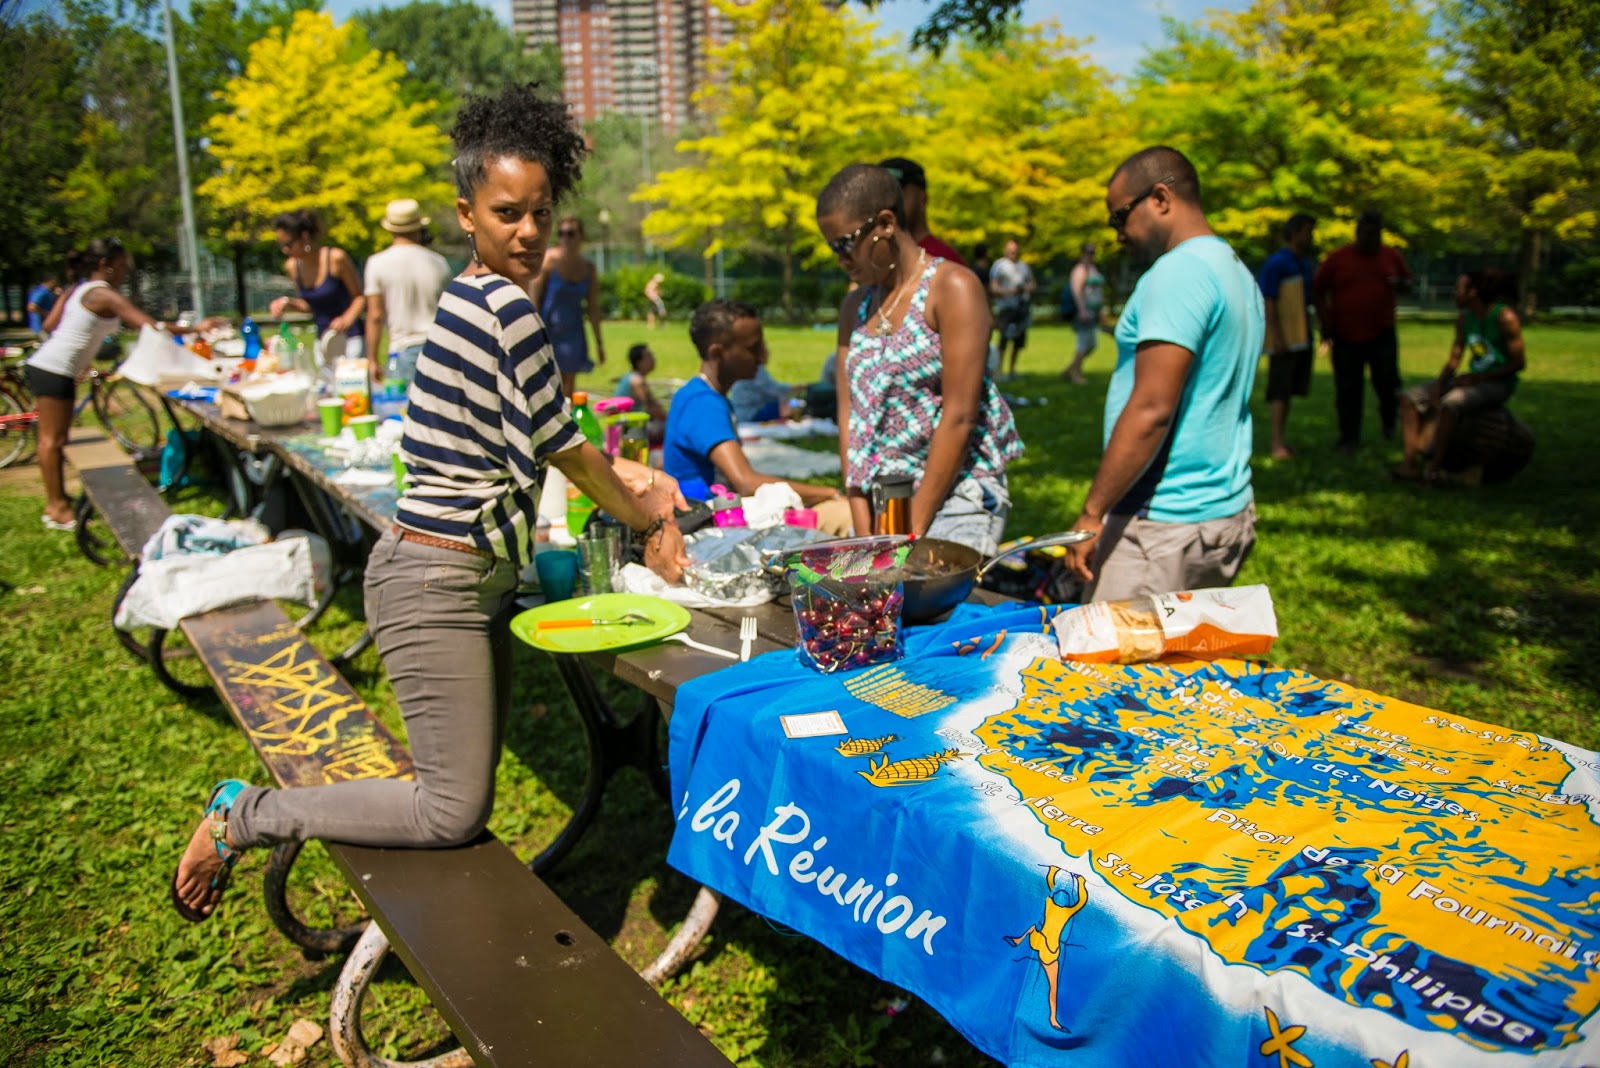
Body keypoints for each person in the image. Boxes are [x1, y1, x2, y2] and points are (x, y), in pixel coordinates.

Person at [171, 83, 688, 924]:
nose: (527, 231)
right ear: (465, 215)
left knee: (457, 792)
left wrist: (632, 487)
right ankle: (246, 816)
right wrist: (652, 519)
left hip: (462, 576)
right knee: (450, 810)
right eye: (507, 212)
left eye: (540, 212)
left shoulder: (470, 295)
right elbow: (567, 449)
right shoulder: (506, 309)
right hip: (435, 583)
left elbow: (551, 443)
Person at [1062, 147, 1264, 601]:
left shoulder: (1178, 273)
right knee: (1183, 668)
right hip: (1221, 512)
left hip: (1163, 524)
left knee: (1107, 669)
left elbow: (1152, 408)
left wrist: (1093, 513)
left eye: (1119, 217)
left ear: (1160, 198)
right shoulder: (1233, 269)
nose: (1118, 235)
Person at [818, 164, 1023, 555]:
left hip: (955, 495)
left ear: (885, 224)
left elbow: (960, 415)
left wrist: (908, 535)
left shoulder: (953, 288)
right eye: (833, 248)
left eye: (845, 244)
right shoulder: (855, 306)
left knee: (927, 607)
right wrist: (866, 533)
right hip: (883, 503)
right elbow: (851, 419)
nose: (840, 260)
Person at [25, 237, 225, 532]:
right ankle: (56, 507)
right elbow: (148, 325)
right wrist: (196, 328)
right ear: (105, 265)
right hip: (54, 370)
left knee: (56, 439)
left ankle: (59, 500)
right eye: (121, 266)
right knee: (51, 441)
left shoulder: (78, 290)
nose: (125, 273)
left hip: (51, 367)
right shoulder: (104, 294)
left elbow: (49, 326)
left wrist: (81, 350)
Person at [663, 299, 852, 534]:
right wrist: (829, 493)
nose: (762, 357)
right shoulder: (703, 404)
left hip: (716, 514)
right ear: (718, 353)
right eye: (753, 349)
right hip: (707, 523)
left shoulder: (701, 395)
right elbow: (745, 482)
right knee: (847, 516)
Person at [1396, 268, 1527, 483]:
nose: (1454, 294)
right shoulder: (1465, 319)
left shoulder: (1504, 317)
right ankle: (1409, 464)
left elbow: (1518, 363)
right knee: (1408, 398)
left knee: (1452, 403)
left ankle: (1434, 468)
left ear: (1473, 292)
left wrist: (1479, 378)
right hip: (1472, 380)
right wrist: (1439, 384)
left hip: (1498, 383)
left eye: (1459, 289)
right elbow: (1454, 359)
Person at [1314, 210, 1412, 452]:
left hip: (1382, 333)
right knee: (1348, 389)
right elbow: (1317, 290)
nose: (1369, 239)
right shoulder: (1338, 258)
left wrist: (1400, 285)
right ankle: (1349, 437)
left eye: (1374, 234)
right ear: (1357, 233)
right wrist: (1325, 323)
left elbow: (1408, 282)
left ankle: (1390, 424)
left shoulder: (1391, 256)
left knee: (1388, 384)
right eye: (1364, 233)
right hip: (1345, 334)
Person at [364, 198, 452, 387]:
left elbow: (375, 316)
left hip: (402, 349)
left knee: (404, 411)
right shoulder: (438, 262)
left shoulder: (377, 263)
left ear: (390, 229)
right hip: (439, 347)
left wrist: (372, 359)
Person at [269, 209, 366, 369]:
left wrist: (346, 318)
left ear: (304, 237)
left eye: (288, 244)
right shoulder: (293, 266)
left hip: (350, 338)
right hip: (322, 340)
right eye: (281, 245)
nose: (285, 250)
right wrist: (288, 303)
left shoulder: (336, 258)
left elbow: (359, 297)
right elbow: (309, 306)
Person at [1257, 213, 1319, 458]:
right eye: (1307, 231)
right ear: (1294, 232)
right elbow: (1269, 301)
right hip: (1284, 339)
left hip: (1300, 337)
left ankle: (1281, 440)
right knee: (1279, 390)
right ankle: (1276, 443)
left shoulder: (1303, 264)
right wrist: (1277, 337)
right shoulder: (1277, 264)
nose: (1310, 236)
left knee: (1290, 389)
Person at [532, 215, 604, 398]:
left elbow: (593, 308)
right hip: (549, 329)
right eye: (561, 233)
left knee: (569, 386)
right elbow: (534, 297)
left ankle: (566, 423)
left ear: (581, 236)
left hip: (573, 330)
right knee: (549, 381)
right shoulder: (549, 260)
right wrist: (533, 331)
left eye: (571, 234)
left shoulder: (588, 268)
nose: (565, 238)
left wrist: (599, 344)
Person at [878, 158, 967, 267]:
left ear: (922, 199)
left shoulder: (947, 264)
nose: (888, 201)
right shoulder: (876, 262)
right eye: (881, 194)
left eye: (897, 191)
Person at [1062, 243, 1108, 385]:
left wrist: (1101, 309)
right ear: (1082, 254)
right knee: (1084, 343)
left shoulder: (1093, 269)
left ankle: (1069, 369)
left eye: (1092, 253)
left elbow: (1098, 291)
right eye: (1088, 253)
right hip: (1083, 312)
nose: (1090, 256)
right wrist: (1082, 310)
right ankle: (1076, 373)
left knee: (1091, 344)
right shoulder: (1080, 270)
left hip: (1093, 311)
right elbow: (1077, 291)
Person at [990, 239, 1035, 380]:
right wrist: (1010, 291)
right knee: (1003, 340)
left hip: (1021, 308)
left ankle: (1012, 370)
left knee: (1018, 341)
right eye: (1010, 250)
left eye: (1015, 251)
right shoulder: (999, 266)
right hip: (1006, 308)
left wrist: (1025, 289)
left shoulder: (1024, 266)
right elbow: (993, 287)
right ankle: (999, 370)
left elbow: (1032, 283)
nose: (1013, 253)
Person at [615, 342, 667, 441]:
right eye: (649, 356)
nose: (653, 359)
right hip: (629, 429)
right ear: (639, 362)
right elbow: (654, 409)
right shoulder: (637, 382)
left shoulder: (630, 376)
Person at [728, 349, 795, 423]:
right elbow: (772, 389)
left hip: (738, 411)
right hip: (750, 413)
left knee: (782, 401)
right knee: (788, 404)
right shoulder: (755, 367)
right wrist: (795, 388)